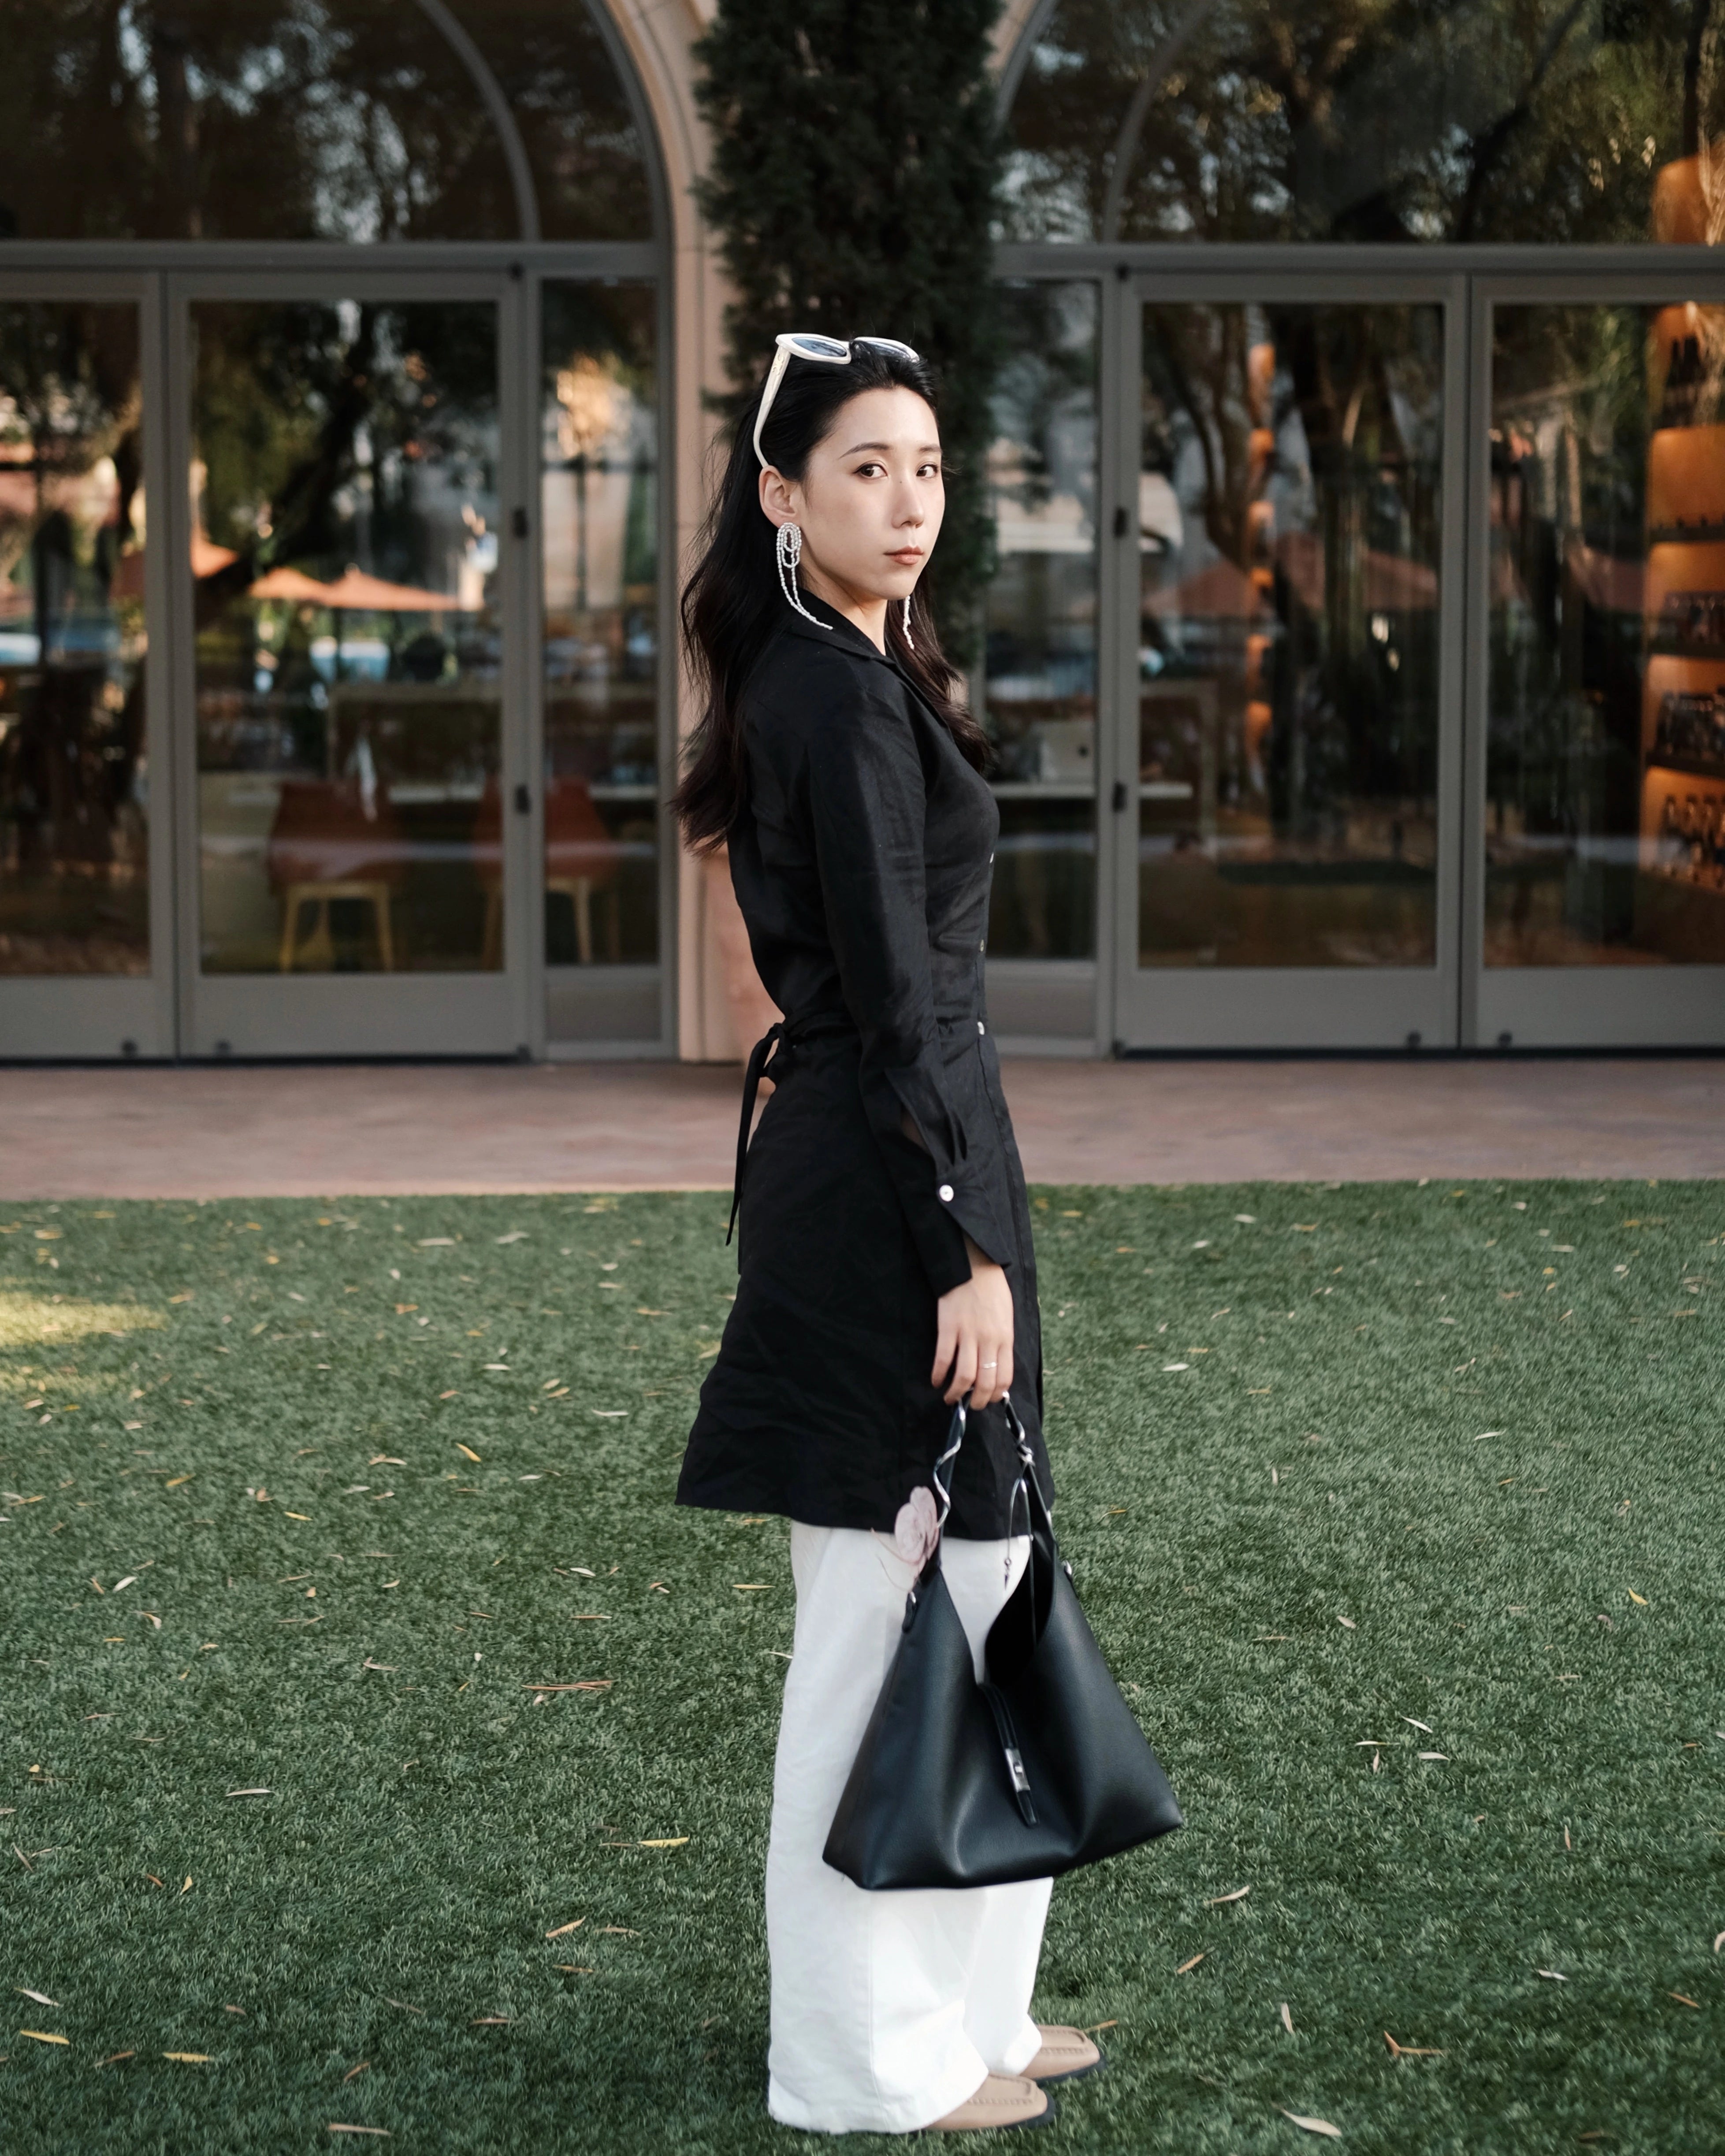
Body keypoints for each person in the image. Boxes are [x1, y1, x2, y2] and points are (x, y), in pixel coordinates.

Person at [671, 336, 1101, 2134]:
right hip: (880, 1195)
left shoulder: (859, 664)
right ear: (780, 493)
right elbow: (887, 997)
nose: (907, 500)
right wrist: (960, 1252)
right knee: (881, 1619)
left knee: (984, 1582)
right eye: (864, 467)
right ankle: (858, 2066)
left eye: (927, 464)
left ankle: (971, 2017)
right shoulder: (828, 697)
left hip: (914, 1159)